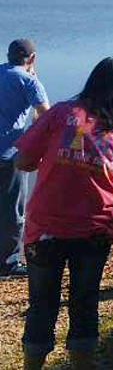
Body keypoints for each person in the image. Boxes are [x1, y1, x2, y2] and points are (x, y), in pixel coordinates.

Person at [14, 56, 113, 370]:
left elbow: (23, 162)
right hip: (94, 231)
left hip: (45, 229)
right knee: (84, 304)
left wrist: (56, 157)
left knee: (41, 306)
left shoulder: (60, 113)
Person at [1, 39, 49, 278]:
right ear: (32, 58)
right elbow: (47, 117)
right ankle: (8, 263)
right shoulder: (30, 80)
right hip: (10, 155)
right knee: (12, 210)